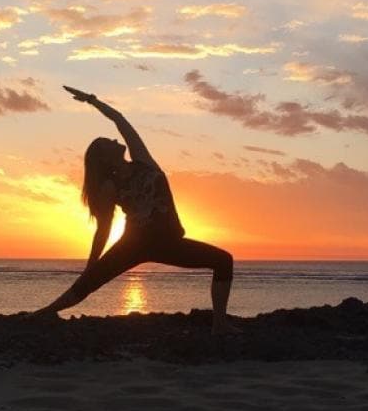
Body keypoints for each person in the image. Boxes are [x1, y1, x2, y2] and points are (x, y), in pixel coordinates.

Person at [37, 86, 240, 335]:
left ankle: (218, 324)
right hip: (134, 244)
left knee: (223, 261)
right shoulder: (111, 186)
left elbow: (120, 120)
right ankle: (44, 313)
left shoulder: (143, 161)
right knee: (89, 282)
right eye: (107, 143)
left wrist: (93, 100)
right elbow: (104, 227)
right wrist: (92, 264)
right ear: (105, 159)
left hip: (169, 242)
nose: (114, 140)